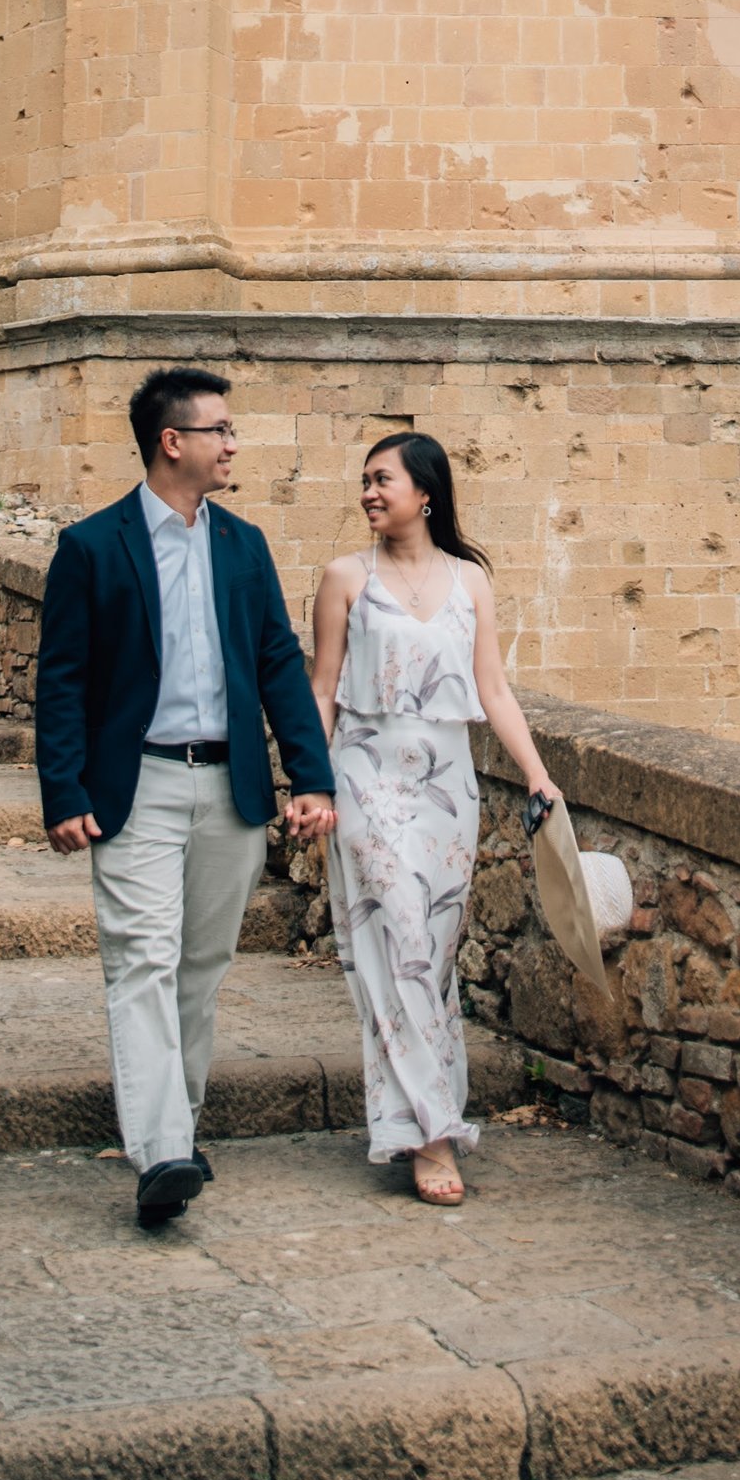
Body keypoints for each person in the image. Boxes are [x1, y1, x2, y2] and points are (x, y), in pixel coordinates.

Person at [35, 368, 337, 1231]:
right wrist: (64, 788)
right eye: (222, 430)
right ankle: (162, 1149)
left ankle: (180, 1129)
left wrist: (309, 775)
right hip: (139, 784)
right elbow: (62, 681)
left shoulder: (243, 545)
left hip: (230, 786)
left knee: (200, 970)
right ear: (175, 441)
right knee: (142, 958)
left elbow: (279, 662)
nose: (233, 444)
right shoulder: (92, 546)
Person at [310, 431, 558, 1206]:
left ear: (426, 491)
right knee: (403, 943)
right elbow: (322, 687)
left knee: (433, 959)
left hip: (448, 786)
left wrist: (537, 772)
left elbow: (495, 690)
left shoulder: (471, 581)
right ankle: (432, 1132)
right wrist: (308, 784)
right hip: (367, 773)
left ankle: (416, 1111)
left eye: (382, 479)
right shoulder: (344, 577)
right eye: (364, 481)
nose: (368, 493)